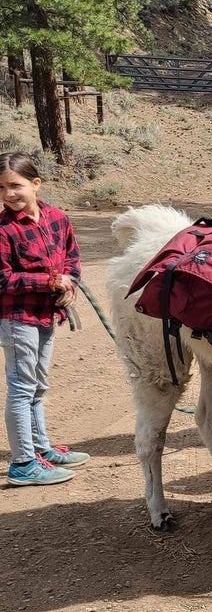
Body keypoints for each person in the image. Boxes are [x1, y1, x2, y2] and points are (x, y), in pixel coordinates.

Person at [0, 151, 89, 486]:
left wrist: (71, 284)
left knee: (38, 385)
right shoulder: (4, 230)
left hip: (46, 315)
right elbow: (3, 280)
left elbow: (72, 259)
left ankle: (41, 450)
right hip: (17, 317)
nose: (9, 194)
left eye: (16, 185)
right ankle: (23, 464)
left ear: (35, 184)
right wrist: (51, 282)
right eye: (2, 188)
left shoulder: (57, 218)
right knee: (22, 389)